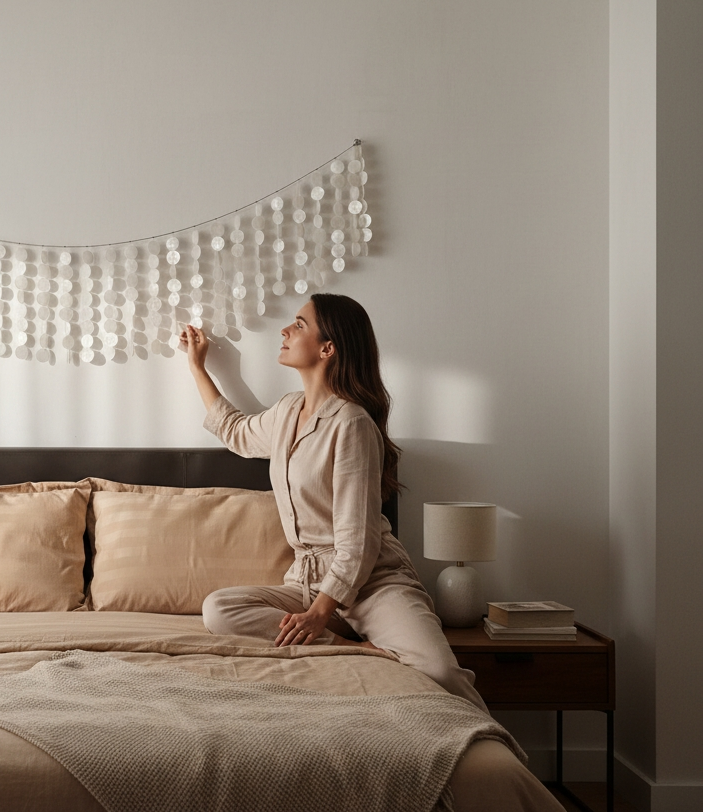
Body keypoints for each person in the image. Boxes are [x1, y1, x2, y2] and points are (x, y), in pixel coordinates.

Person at [180, 293, 487, 712]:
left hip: (373, 584)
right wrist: (198, 366)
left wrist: (321, 613)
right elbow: (235, 431)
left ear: (328, 348)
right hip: (305, 583)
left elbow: (358, 542)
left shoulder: (353, 424)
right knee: (219, 608)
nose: (285, 331)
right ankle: (354, 650)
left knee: (441, 672)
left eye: (299, 325)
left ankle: (502, 751)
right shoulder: (288, 411)